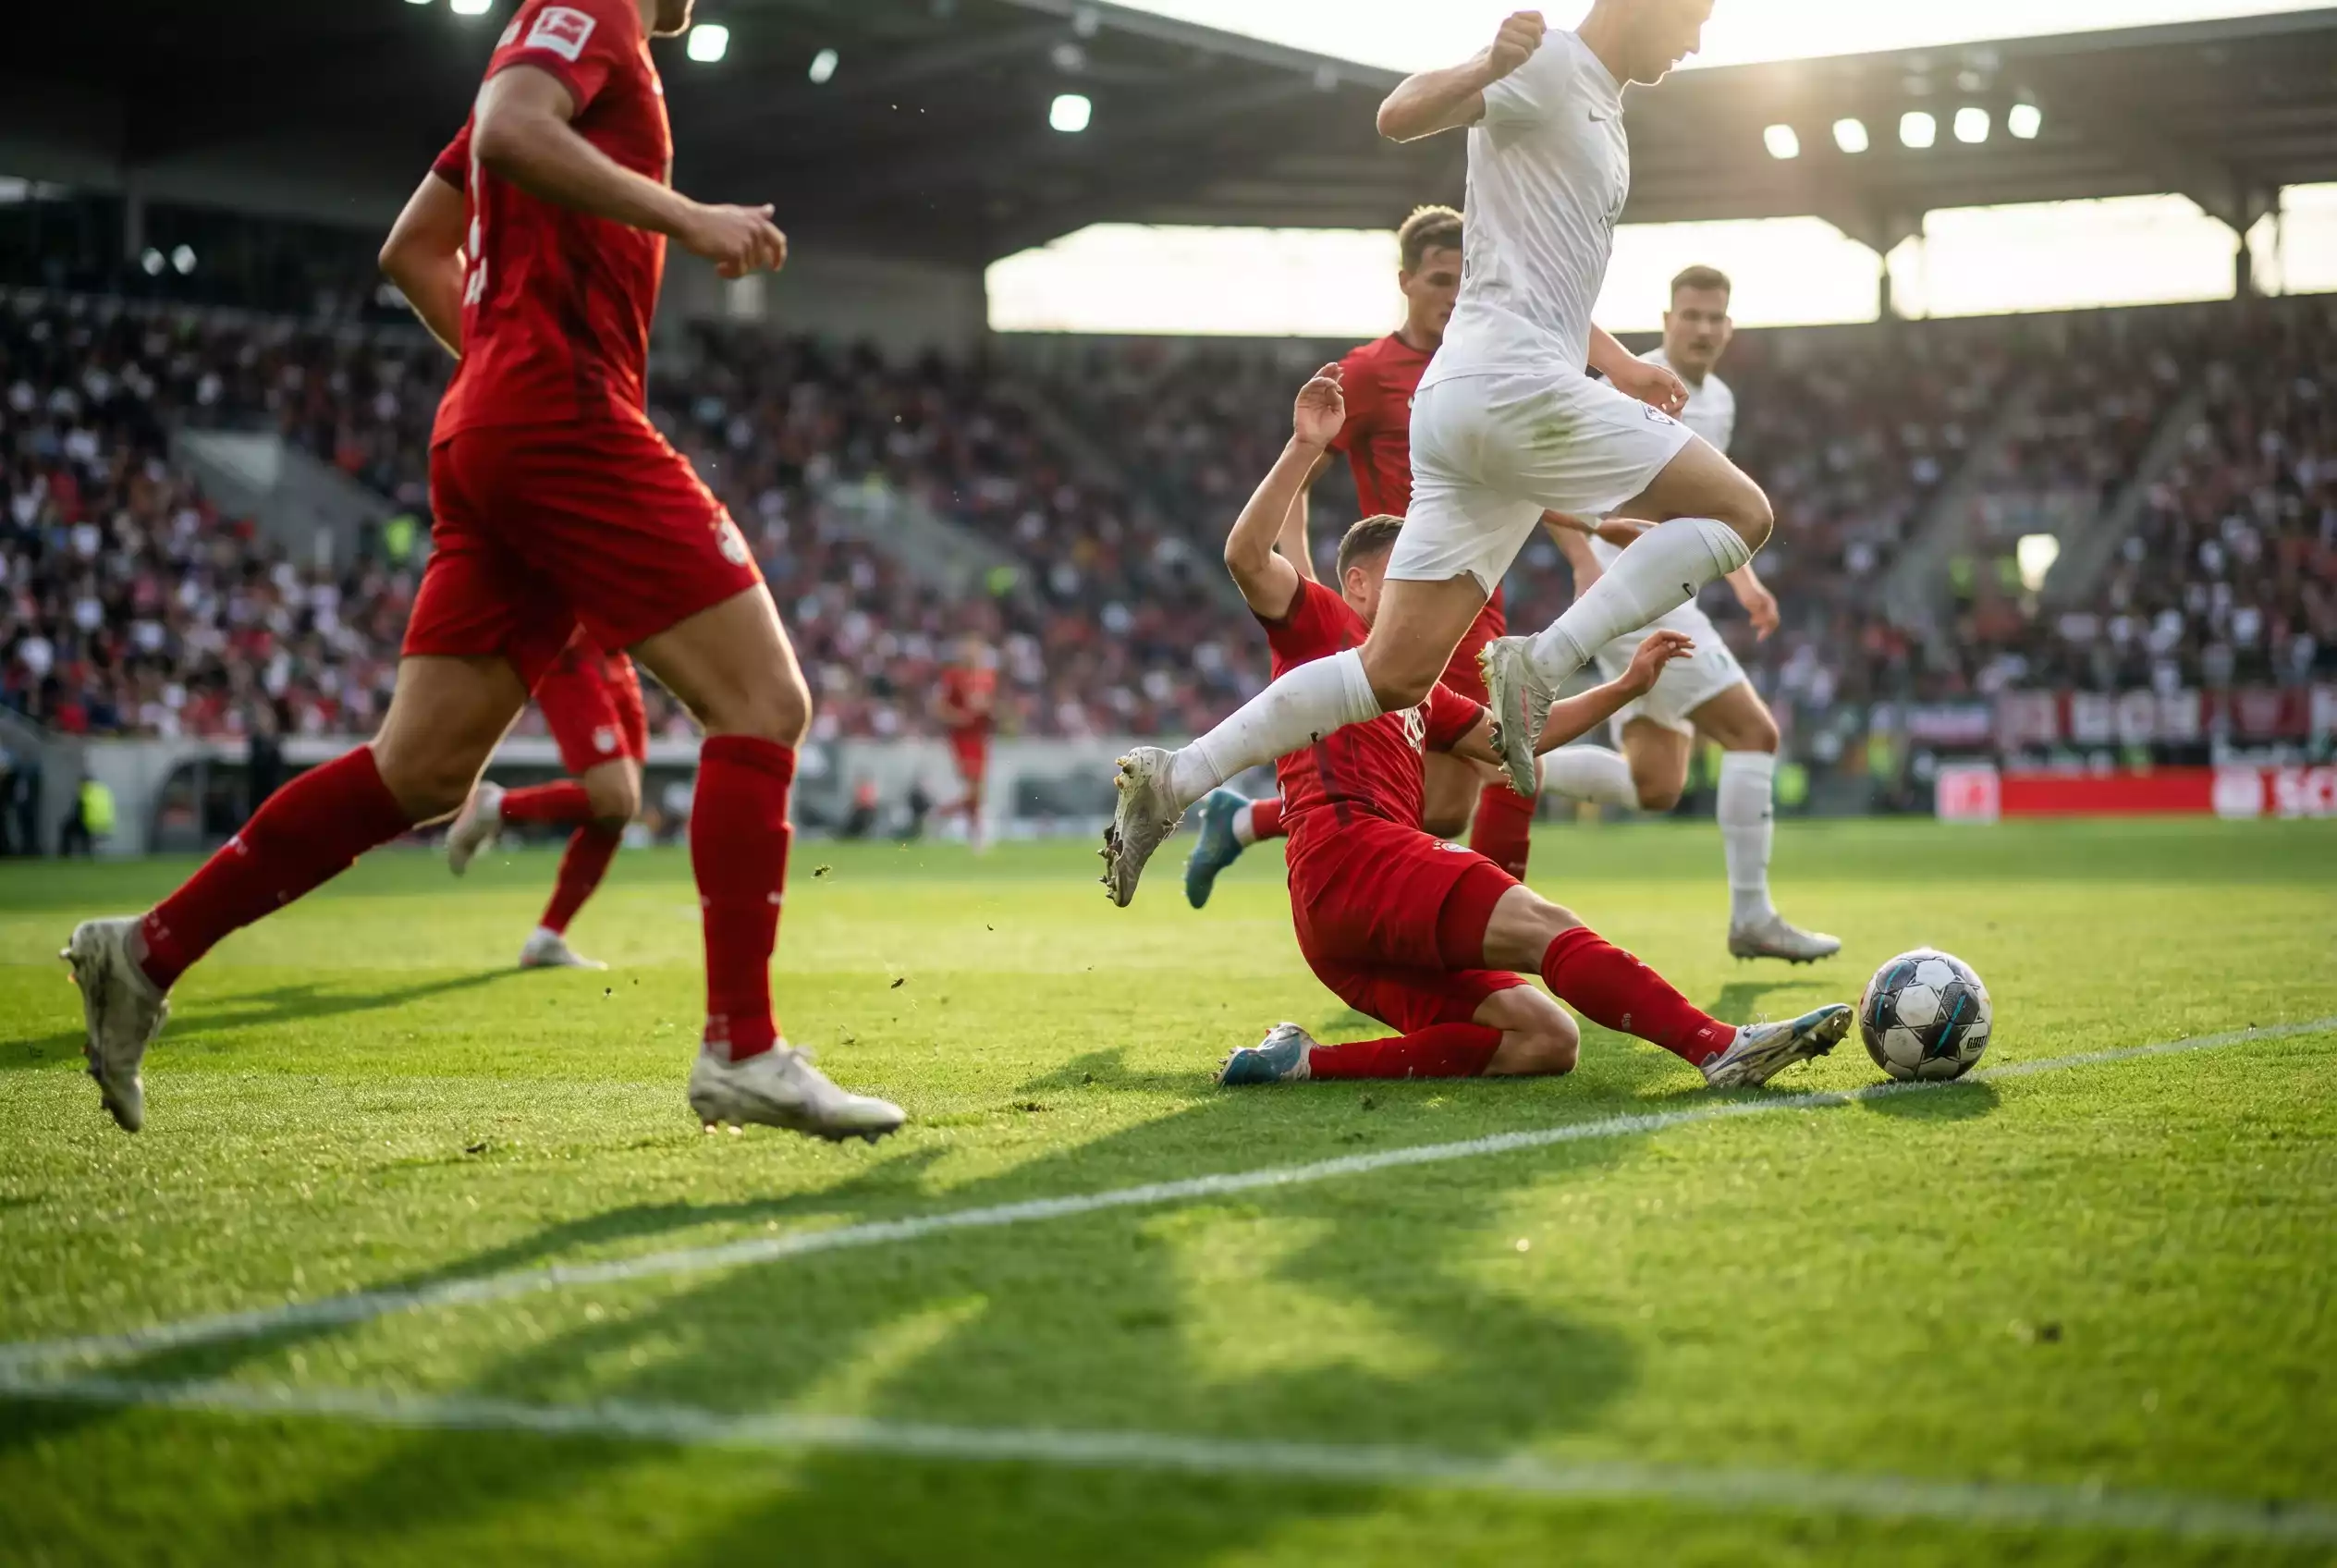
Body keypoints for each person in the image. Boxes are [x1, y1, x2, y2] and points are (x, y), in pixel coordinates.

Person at [60, 0, 900, 1143]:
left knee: (418, 771)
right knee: (762, 701)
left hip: (499, 420)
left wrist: (499, 364)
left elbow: (412, 247)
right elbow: (510, 131)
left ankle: (145, 951)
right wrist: (684, 220)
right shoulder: (587, 8)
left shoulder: (569, 36)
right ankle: (741, 1049)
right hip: (559, 415)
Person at [1104, 2, 1771, 910]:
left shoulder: (1603, 108)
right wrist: (1482, 66)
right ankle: (1544, 662)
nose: (1695, 41)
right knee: (1742, 514)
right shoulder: (1542, 65)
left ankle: (1176, 779)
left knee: (1390, 677)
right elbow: (1398, 113)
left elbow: (1541, 273)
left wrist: (1615, 362)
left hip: (1463, 404)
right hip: (1512, 389)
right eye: (1690, 17)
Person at [1181, 367, 1849, 1087]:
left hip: (1338, 915)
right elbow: (1247, 557)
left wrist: (1625, 686)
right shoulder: (1322, 627)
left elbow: (1516, 740)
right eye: (1408, 575)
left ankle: (1301, 1064)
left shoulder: (1416, 687)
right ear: (1361, 585)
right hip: (1355, 857)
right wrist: (1305, 447)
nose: (1421, 594)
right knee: (1543, 926)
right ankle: (1720, 1047)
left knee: (1542, 1039)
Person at [1181, 203, 1653, 906]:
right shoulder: (1370, 372)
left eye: (1466, 278)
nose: (1454, 293)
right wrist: (1307, 577)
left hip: (1480, 591)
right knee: (1510, 763)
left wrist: (1587, 540)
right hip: (1416, 591)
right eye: (1439, 279)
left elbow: (1513, 475)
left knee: (1441, 807)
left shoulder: (1491, 366)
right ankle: (1496, 940)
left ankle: (1246, 821)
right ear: (1406, 281)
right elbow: (1306, 475)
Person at [1541, 266, 1840, 962]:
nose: (1704, 328)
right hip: (1630, 601)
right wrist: (1587, 554)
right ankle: (1753, 916)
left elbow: (1709, 507)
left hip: (1669, 594)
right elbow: (1541, 477)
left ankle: (1500, 760)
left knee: (1656, 786)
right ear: (1667, 319)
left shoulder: (1721, 402)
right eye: (1692, 315)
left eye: (1716, 317)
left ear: (1729, 327)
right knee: (1754, 735)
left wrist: (1744, 583)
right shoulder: (1626, 382)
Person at [443, 630, 647, 970]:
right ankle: (497, 806)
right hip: (573, 654)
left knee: (619, 809)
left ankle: (547, 937)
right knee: (614, 798)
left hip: (617, 659)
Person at [935, 635, 998, 852]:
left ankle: (968, 830)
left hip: (980, 738)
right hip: (961, 739)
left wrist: (988, 711)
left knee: (977, 791)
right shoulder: (953, 677)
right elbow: (940, 708)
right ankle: (944, 817)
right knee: (973, 788)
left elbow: (992, 707)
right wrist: (960, 717)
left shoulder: (988, 678)